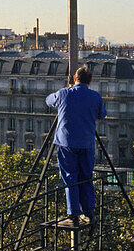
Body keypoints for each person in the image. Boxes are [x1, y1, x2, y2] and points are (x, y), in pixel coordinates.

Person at [45, 66, 106, 227]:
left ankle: (73, 213)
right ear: (90, 81)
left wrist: (67, 88)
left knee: (70, 178)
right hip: (86, 143)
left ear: (73, 78)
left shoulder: (65, 93)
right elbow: (102, 114)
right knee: (86, 177)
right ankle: (89, 212)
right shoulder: (95, 96)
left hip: (67, 143)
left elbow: (49, 100)